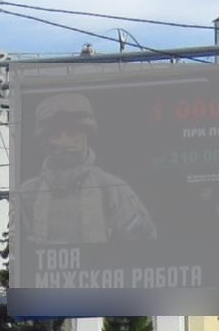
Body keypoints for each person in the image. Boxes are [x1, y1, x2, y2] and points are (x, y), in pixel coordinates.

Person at [12, 92, 157, 256]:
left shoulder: (113, 189)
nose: (64, 142)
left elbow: (143, 249)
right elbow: (17, 254)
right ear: (45, 141)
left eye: (72, 134)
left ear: (86, 136)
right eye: (56, 135)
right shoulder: (27, 194)